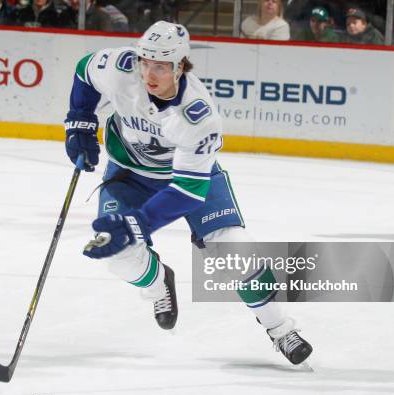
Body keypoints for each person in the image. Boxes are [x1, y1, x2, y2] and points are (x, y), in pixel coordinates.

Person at [64, 21, 314, 365]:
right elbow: (85, 71)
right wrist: (79, 120)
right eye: (145, 61)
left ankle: (280, 329)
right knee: (116, 255)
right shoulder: (122, 67)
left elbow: (187, 191)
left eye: (161, 66)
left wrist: (139, 225)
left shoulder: (198, 116)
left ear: (180, 66)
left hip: (188, 181)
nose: (149, 73)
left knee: (235, 251)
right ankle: (158, 284)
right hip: (128, 175)